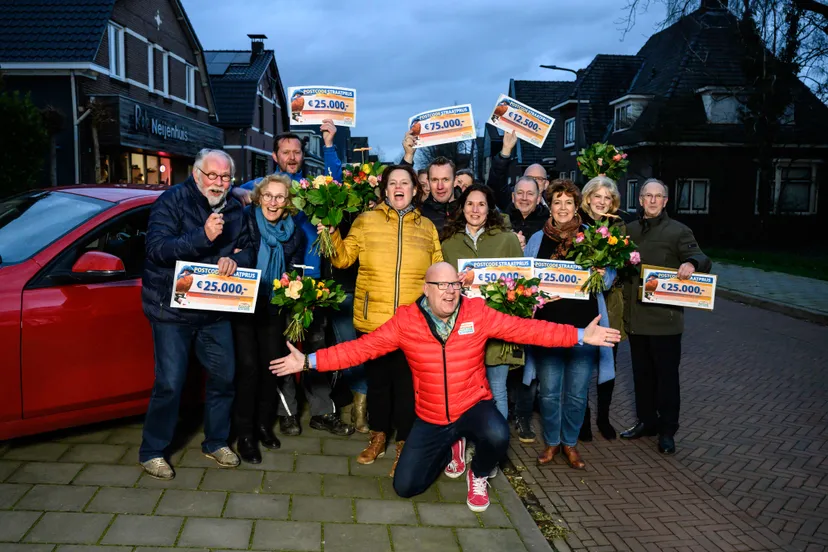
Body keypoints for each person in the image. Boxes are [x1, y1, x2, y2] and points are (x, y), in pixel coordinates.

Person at [269, 262, 622, 512]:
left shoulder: (477, 313)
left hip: (472, 404)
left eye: (455, 284)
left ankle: (478, 473)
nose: (450, 292)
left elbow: (526, 330)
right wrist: (309, 361)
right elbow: (361, 348)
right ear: (426, 289)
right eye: (441, 285)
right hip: (432, 415)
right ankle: (449, 447)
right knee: (405, 488)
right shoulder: (406, 321)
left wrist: (578, 335)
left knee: (498, 434)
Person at [319, 164, 442, 476]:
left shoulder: (427, 227)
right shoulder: (366, 220)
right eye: (392, 183)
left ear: (415, 189)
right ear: (385, 190)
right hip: (374, 320)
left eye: (405, 183)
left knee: (406, 386)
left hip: (412, 323)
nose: (399, 188)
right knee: (377, 384)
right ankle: (378, 436)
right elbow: (344, 258)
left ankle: (403, 445)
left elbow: (438, 268)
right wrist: (332, 233)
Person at [139, 149, 254, 480]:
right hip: (170, 310)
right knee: (171, 384)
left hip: (214, 309)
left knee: (224, 377)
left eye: (225, 177)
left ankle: (215, 441)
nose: (218, 183)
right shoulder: (171, 201)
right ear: (196, 174)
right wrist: (202, 237)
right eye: (212, 176)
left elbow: (248, 247)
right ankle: (152, 451)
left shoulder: (234, 207)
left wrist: (238, 260)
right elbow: (157, 250)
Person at [524, 179, 616, 470]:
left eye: (568, 203)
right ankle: (552, 442)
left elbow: (609, 278)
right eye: (557, 203)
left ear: (577, 206)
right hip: (549, 330)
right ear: (549, 206)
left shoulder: (594, 237)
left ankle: (570, 444)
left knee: (577, 394)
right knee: (549, 392)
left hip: (585, 330)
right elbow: (526, 280)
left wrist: (603, 272)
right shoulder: (538, 239)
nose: (562, 208)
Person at [620, 178, 711, 455]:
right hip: (636, 319)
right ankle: (647, 422)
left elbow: (701, 258)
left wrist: (690, 263)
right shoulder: (629, 230)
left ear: (665, 201)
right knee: (641, 375)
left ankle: (668, 430)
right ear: (640, 200)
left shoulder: (678, 231)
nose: (652, 200)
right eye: (647, 195)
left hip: (665, 321)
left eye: (658, 196)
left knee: (667, 378)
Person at [232, 175, 304, 463]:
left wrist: (295, 286)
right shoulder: (244, 219)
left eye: (280, 197)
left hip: (274, 305)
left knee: (271, 368)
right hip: (243, 302)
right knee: (248, 368)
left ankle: (264, 425)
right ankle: (245, 434)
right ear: (258, 197)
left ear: (287, 202)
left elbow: (295, 269)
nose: (273, 202)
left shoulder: (294, 232)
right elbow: (232, 253)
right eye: (268, 196)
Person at [440, 184, 523, 421]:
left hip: (497, 328)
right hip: (462, 330)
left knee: (497, 390)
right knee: (464, 392)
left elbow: (521, 285)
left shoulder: (508, 240)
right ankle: (467, 449)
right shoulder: (448, 243)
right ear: (462, 207)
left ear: (490, 209)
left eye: (481, 204)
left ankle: (495, 452)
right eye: (470, 204)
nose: (475, 210)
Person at [577, 176, 627, 442]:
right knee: (583, 360)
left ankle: (603, 418)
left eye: (608, 198)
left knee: (609, 361)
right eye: (598, 196)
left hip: (610, 303)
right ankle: (583, 418)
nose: (602, 202)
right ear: (588, 198)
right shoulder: (578, 226)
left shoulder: (618, 229)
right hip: (584, 302)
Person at [401, 131, 458, 232]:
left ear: (455, 181)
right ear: (428, 181)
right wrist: (409, 155)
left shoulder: (469, 210)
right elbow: (399, 190)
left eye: (445, 179)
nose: (440, 186)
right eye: (435, 180)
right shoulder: (419, 214)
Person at [486, 131, 550, 211]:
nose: (534, 182)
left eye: (539, 179)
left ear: (546, 184)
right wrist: (506, 150)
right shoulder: (511, 202)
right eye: (529, 178)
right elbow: (496, 185)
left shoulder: (554, 205)